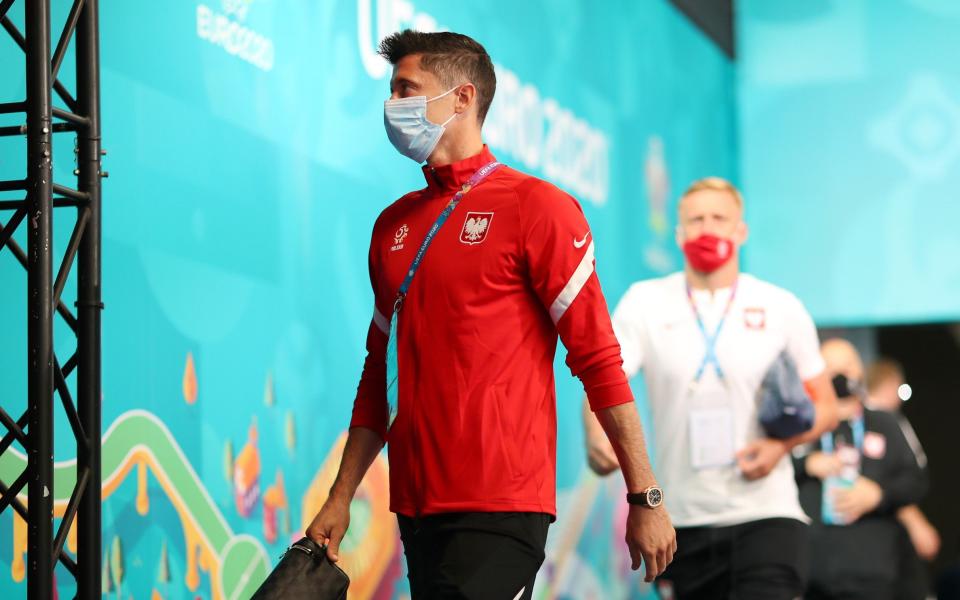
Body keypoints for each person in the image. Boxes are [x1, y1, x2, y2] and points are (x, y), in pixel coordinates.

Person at [305, 30, 675, 599]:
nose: (392, 105)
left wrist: (643, 495)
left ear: (462, 98)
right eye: (391, 90)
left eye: (407, 89)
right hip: (416, 505)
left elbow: (599, 360)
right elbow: (378, 375)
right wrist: (340, 496)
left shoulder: (539, 207)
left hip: (501, 502)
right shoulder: (391, 227)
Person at [582, 176, 838, 600]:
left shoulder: (781, 307)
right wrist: (596, 435)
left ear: (741, 231)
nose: (707, 228)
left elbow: (825, 405)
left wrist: (780, 447)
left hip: (767, 517)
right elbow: (602, 377)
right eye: (696, 220)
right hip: (680, 524)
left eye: (719, 218)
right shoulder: (645, 303)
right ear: (679, 233)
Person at [796, 339, 927, 600]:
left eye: (847, 366)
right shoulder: (801, 425)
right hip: (812, 578)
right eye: (830, 368)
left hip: (876, 577)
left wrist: (879, 494)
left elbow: (917, 480)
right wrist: (806, 464)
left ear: (860, 370)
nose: (841, 375)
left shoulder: (885, 422)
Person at [866, 358, 940, 598]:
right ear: (889, 384)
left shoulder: (886, 420)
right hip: (881, 529)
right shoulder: (873, 421)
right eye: (899, 388)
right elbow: (881, 479)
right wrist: (914, 521)